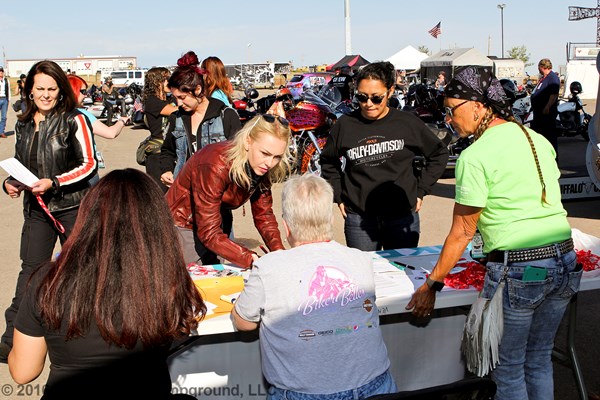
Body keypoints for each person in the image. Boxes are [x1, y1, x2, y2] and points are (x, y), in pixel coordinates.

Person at [406, 66, 581, 400]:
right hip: (563, 262)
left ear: (477, 106)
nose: (449, 119)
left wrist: (432, 284)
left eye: (451, 110)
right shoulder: (536, 139)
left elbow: (461, 232)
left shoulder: (475, 156)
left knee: (509, 368)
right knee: (538, 360)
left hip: (522, 269)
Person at [8, 169, 205, 399]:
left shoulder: (49, 280)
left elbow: (23, 372)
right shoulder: (165, 279)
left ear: (87, 217)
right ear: (158, 225)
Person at [232, 174, 397, 399]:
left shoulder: (268, 266)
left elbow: (243, 322)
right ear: (330, 218)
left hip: (303, 394)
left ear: (286, 227)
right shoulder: (361, 259)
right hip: (376, 385)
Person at [0, 60, 98, 363]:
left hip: (73, 206)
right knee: (30, 272)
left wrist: (54, 182)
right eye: (39, 88)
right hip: (37, 210)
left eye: (51, 89)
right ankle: (11, 340)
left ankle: (93, 334)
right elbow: (22, 164)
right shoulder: (23, 123)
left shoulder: (74, 119)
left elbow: (89, 163)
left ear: (60, 90)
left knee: (84, 269)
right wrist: (11, 182)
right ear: (29, 90)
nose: (45, 94)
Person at [320, 61, 449, 251]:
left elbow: (438, 153)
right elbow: (328, 161)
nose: (368, 104)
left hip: (402, 216)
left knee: (402, 272)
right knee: (365, 275)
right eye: (362, 97)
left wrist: (421, 190)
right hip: (359, 218)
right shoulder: (345, 124)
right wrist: (338, 195)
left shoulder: (407, 122)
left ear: (390, 91)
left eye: (376, 98)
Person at [165, 113, 291, 268]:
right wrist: (248, 257)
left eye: (277, 157)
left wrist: (278, 252)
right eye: (265, 153)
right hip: (184, 221)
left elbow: (264, 215)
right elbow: (208, 232)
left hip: (213, 221)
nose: (270, 163)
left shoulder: (261, 167)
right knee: (195, 279)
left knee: (218, 274)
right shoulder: (215, 164)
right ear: (247, 142)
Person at [159, 51, 241, 185]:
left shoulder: (226, 115)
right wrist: (166, 170)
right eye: (175, 98)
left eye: (182, 97)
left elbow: (239, 155)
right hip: (183, 192)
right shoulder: (176, 118)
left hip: (216, 194)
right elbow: (167, 150)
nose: (179, 103)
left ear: (197, 90)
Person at [142, 66, 178, 189]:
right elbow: (174, 111)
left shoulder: (170, 99)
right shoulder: (152, 101)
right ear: (157, 82)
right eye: (167, 79)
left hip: (169, 152)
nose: (170, 81)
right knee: (161, 195)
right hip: (157, 155)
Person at [68, 74, 130, 139]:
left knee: (122, 101)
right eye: (83, 92)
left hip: (112, 99)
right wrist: (122, 121)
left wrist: (123, 86)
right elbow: (110, 133)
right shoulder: (81, 114)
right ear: (73, 91)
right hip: (106, 100)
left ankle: (123, 113)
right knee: (110, 107)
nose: (85, 95)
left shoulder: (60, 111)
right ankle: (109, 122)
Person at [530, 58, 560, 152]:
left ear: (542, 67)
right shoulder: (544, 78)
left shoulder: (552, 78)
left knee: (549, 136)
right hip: (538, 112)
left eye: (539, 67)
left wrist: (547, 107)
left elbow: (554, 95)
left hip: (546, 114)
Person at [0, 66, 9, 137]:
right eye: (0, 71)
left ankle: (2, 131)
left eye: (2, 71)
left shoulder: (6, 80)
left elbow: (8, 90)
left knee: (4, 117)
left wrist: (8, 99)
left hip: (4, 99)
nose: (1, 73)